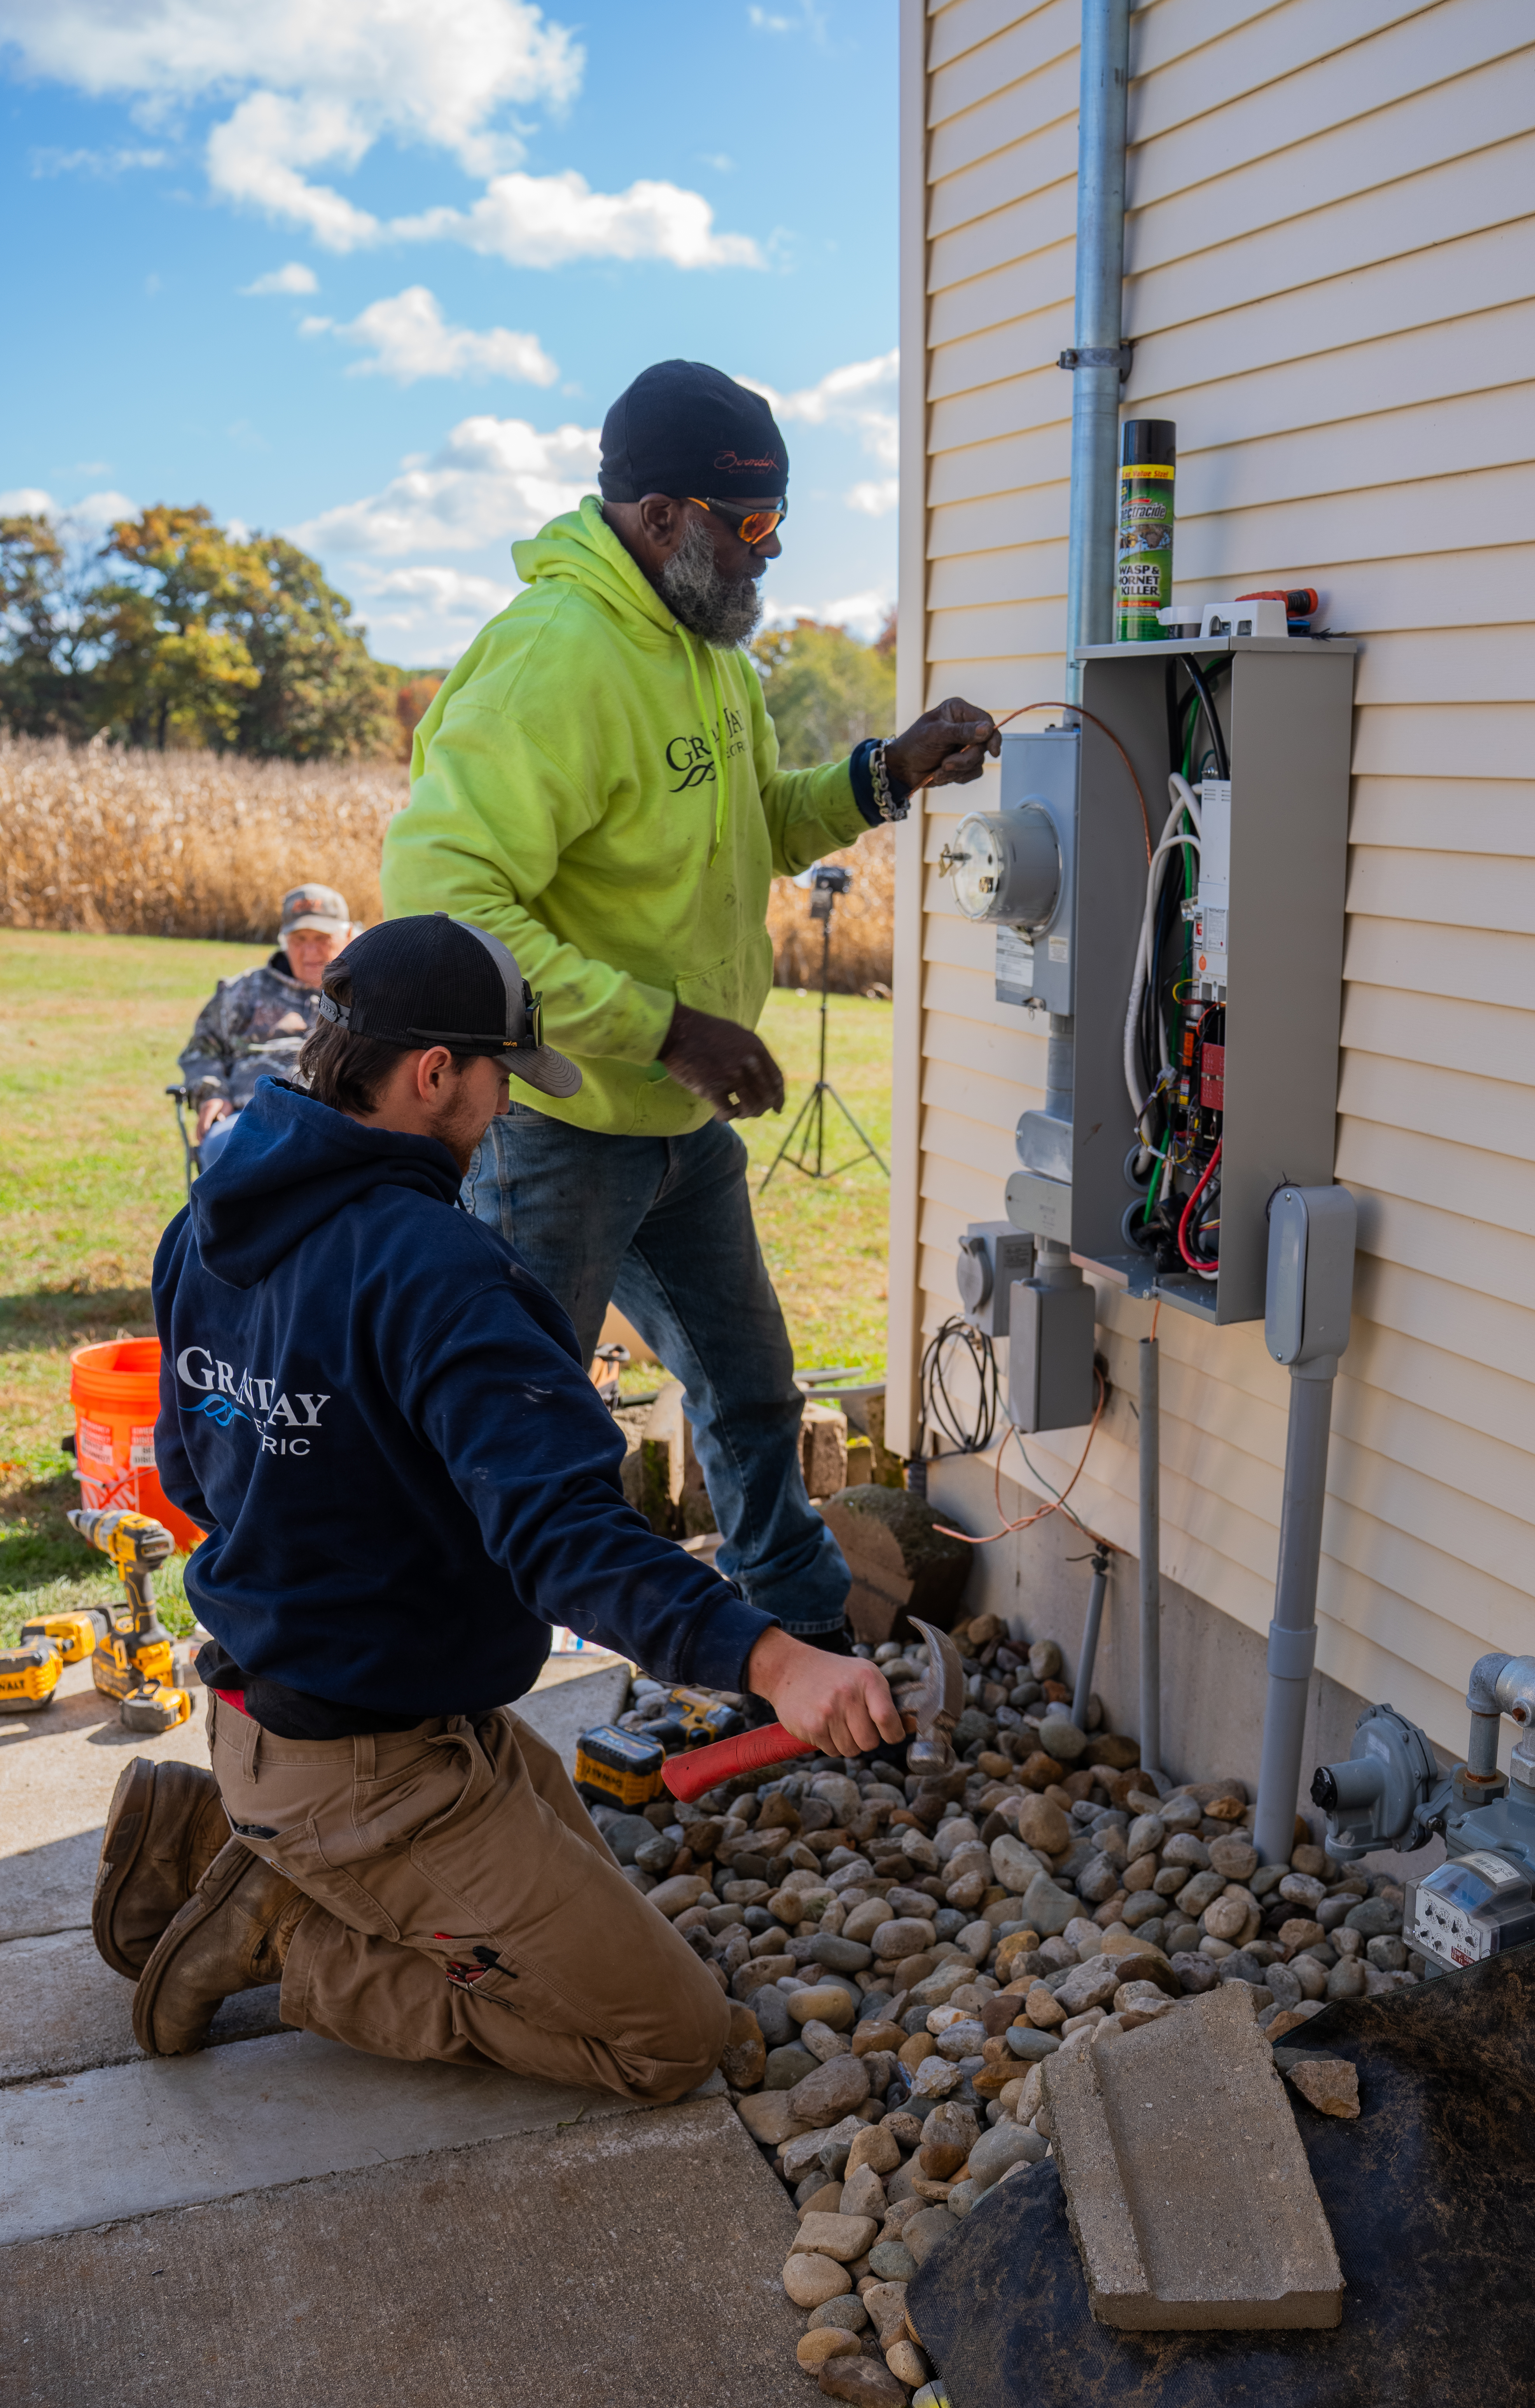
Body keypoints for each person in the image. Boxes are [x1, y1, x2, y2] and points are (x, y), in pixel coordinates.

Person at [112, 914, 902, 2095]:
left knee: (589, 1922)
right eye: (501, 1079)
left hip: (318, 1707)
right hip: (366, 1766)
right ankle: (290, 1931)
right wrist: (777, 1660)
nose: (507, 1110)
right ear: (435, 1074)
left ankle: (213, 1830)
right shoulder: (440, 1271)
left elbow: (189, 1471)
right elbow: (564, 1536)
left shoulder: (207, 1219)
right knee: (671, 2038)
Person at [381, 358, 1001, 1649]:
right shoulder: (556, 656)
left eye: (781, 522)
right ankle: (450, 1664)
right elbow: (442, 901)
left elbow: (751, 821)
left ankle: (802, 1644)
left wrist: (881, 775)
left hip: (678, 1125)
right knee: (524, 1416)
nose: (772, 555)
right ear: (666, 517)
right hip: (559, 1132)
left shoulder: (705, 646)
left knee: (753, 1393)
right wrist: (665, 1025)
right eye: (754, 525)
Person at [177, 884, 354, 1167]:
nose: (310, 950)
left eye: (322, 938)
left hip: (340, 1119)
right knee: (225, 1147)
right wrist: (213, 1093)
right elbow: (202, 1051)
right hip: (251, 1119)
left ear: (348, 936)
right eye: (299, 939)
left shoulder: (366, 994)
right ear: (284, 940)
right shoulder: (243, 992)